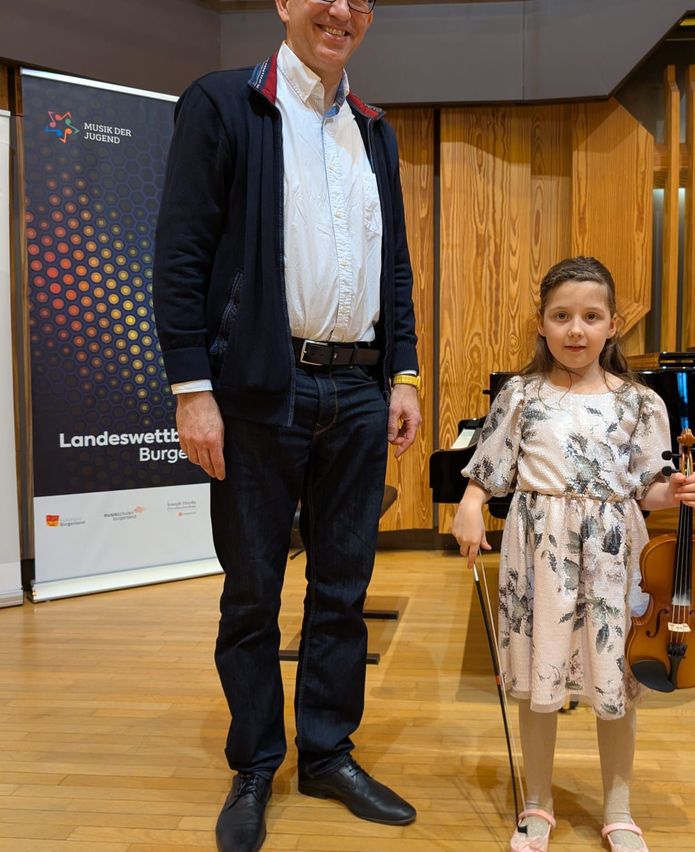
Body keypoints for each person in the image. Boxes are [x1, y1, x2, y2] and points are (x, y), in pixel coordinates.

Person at [153, 1, 422, 850]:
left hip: (357, 393)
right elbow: (181, 252)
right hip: (259, 392)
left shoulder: (373, 129)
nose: (339, 10)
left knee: (342, 592)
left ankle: (327, 752)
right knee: (253, 594)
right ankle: (255, 763)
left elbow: (396, 268)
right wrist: (193, 388)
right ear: (282, 2)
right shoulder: (225, 103)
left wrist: (404, 375)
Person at [452, 257, 695, 852]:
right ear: (540, 323)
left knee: (613, 678)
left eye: (590, 317)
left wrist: (678, 491)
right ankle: (537, 804)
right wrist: (469, 503)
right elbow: (489, 469)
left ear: (613, 325)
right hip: (538, 548)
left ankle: (618, 809)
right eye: (561, 316)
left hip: (614, 554)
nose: (575, 330)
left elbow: (649, 485)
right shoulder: (521, 394)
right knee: (542, 677)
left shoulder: (641, 403)